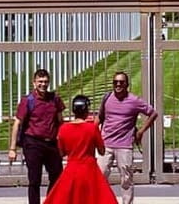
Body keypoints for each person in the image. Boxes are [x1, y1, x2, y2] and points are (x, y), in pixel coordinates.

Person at [97, 71, 158, 204]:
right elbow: (100, 118)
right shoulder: (107, 98)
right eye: (115, 82)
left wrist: (141, 131)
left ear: (127, 84)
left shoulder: (134, 100)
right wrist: (92, 133)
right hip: (106, 144)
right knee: (100, 177)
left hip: (124, 146)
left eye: (121, 82)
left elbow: (153, 113)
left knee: (126, 180)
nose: (118, 85)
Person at [43, 94, 117, 204]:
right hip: (89, 169)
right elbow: (101, 151)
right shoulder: (92, 128)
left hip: (72, 169)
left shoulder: (63, 129)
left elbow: (62, 153)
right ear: (86, 110)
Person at [8, 69, 65, 204]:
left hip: (51, 143)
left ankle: (51, 201)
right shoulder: (28, 100)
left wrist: (63, 143)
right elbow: (17, 124)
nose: (43, 84)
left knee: (57, 176)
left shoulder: (55, 99)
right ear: (34, 83)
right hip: (33, 143)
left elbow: (60, 122)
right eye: (40, 81)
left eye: (45, 82)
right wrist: (12, 149)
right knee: (34, 179)